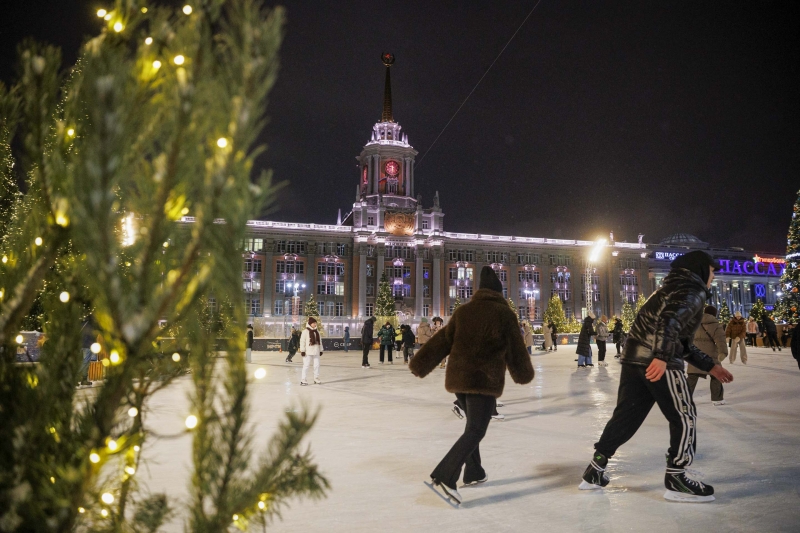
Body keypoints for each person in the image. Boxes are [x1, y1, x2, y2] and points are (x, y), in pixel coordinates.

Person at [579, 251, 734, 503]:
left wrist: (710, 366)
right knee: (684, 415)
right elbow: (669, 322)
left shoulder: (667, 290)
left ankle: (595, 468)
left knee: (626, 416)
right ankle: (677, 477)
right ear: (700, 269)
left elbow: (682, 341)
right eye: (712, 270)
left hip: (634, 359)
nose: (714, 276)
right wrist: (661, 357)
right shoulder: (692, 290)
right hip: (659, 362)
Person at [410, 266, 533, 505]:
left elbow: (443, 340)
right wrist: (523, 374)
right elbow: (516, 349)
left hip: (459, 379)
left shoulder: (464, 312)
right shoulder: (504, 314)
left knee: (472, 426)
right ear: (498, 292)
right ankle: (446, 475)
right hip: (483, 380)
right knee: (477, 429)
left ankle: (474, 471)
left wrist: (420, 364)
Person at [687, 305, 728, 406]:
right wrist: (723, 352)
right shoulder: (716, 325)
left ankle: (684, 398)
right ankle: (717, 399)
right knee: (716, 376)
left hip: (695, 354)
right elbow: (721, 341)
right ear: (714, 314)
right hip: (710, 355)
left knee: (692, 376)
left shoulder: (695, 323)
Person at [299, 317, 323, 386]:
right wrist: (302, 350)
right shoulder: (305, 332)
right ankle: (303, 379)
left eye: (315, 323)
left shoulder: (317, 332)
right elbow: (302, 341)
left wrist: (321, 350)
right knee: (306, 365)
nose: (315, 324)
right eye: (313, 323)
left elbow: (320, 342)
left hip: (316, 351)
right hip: (308, 352)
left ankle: (316, 378)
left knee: (317, 365)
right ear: (310, 324)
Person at [78, 317, 96, 387]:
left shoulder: (81, 324)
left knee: (84, 362)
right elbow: (91, 336)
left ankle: (84, 379)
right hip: (87, 345)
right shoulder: (89, 325)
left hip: (81, 345)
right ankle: (78, 378)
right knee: (85, 363)